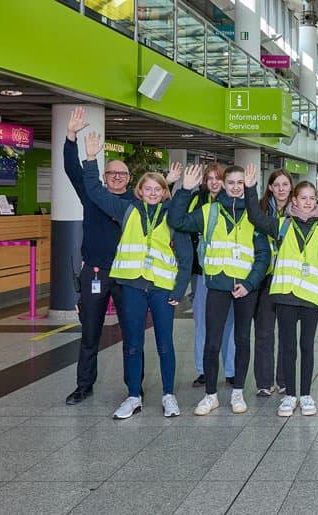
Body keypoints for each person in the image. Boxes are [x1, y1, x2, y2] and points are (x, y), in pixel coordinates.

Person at [81, 131, 192, 419]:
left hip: (162, 289)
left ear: (164, 192)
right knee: (132, 343)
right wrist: (91, 159)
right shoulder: (126, 208)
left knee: (165, 344)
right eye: (148, 189)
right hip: (131, 286)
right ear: (140, 191)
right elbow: (95, 191)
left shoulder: (172, 216)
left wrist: (179, 291)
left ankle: (169, 395)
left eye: (159, 189)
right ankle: (133, 396)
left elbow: (185, 256)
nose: (153, 193)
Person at [169, 164, 270, 415]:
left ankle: (237, 393)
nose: (236, 187)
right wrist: (185, 190)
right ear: (223, 185)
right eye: (231, 182)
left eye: (240, 182)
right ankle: (210, 395)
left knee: (242, 340)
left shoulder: (254, 214)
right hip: (217, 286)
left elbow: (263, 255)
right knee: (212, 342)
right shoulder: (209, 211)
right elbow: (177, 220)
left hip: (246, 288)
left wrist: (249, 284)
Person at [244, 168, 318, 416]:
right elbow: (255, 217)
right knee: (288, 346)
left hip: (310, 299)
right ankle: (290, 395)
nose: (307, 202)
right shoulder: (281, 225)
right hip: (285, 296)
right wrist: (250, 189)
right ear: (294, 200)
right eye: (303, 198)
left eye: (311, 198)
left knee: (307, 346)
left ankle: (305, 394)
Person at [62, 107, 134, 406]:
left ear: (129, 179)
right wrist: (71, 137)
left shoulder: (135, 203)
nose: (117, 177)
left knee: (132, 336)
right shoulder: (92, 194)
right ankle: (84, 385)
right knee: (90, 334)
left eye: (122, 174)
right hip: (94, 274)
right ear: (104, 177)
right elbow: (71, 170)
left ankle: (134, 388)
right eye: (112, 173)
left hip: (127, 275)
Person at [188, 164, 236, 390]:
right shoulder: (197, 202)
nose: (214, 182)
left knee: (229, 324)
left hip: (227, 274)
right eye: (210, 178)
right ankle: (204, 370)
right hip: (202, 273)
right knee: (202, 323)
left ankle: (231, 370)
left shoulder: (234, 203)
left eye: (218, 178)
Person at [252, 169, 293, 396]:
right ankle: (264, 383)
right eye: (276, 185)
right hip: (266, 278)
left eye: (285, 184)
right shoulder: (260, 209)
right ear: (270, 187)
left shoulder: (297, 210)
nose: (280, 189)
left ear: (290, 187)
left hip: (287, 278)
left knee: (286, 333)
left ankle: (284, 380)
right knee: (264, 332)